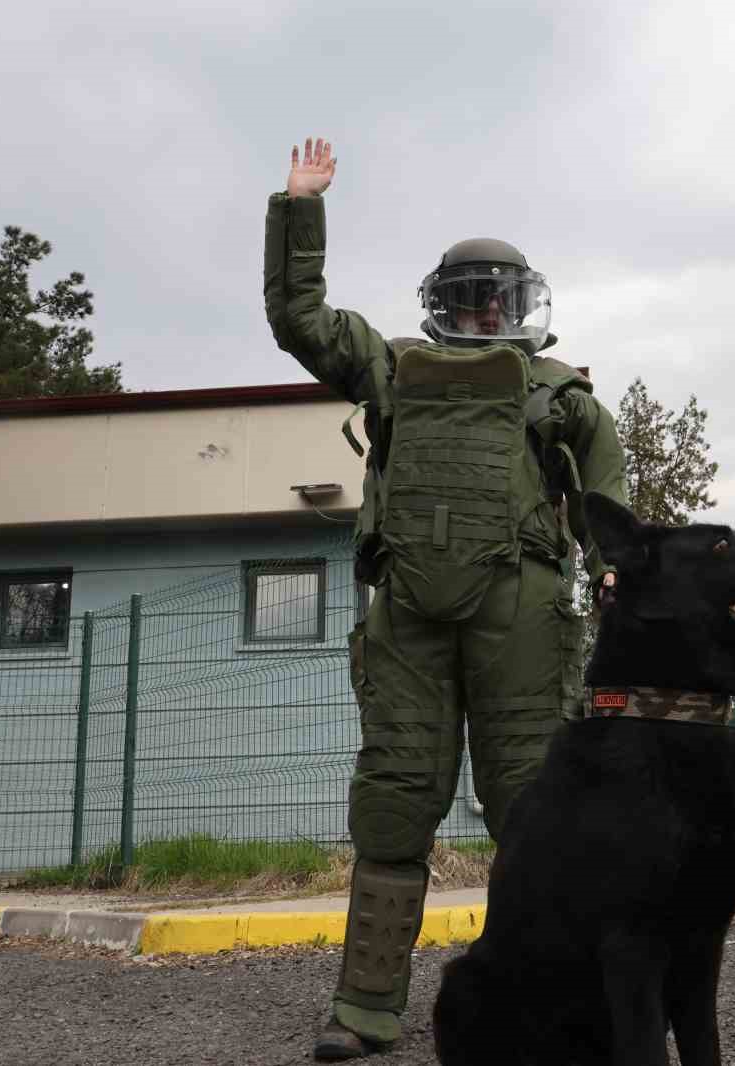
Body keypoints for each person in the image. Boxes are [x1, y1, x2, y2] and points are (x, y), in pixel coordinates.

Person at [264, 137, 628, 1060]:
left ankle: (542, 1003)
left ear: (523, 304)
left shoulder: (564, 395)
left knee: (533, 816)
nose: (486, 310)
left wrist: (620, 577)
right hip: (412, 613)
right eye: (471, 297)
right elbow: (299, 317)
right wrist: (300, 207)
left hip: (524, 614)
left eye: (498, 296)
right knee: (394, 803)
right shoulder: (387, 367)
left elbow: (609, 512)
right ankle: (366, 1010)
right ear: (444, 305)